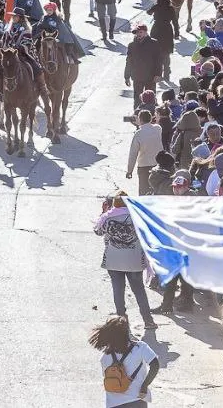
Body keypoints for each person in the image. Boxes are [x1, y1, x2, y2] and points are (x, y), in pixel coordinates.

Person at [94, 194, 156, 331]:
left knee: (118, 290)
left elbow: (97, 231)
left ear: (114, 204)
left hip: (113, 261)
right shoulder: (138, 217)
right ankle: (148, 321)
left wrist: (103, 213)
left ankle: (122, 321)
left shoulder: (107, 217)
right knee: (139, 291)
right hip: (134, 261)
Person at [90, 315, 159, 408]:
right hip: (137, 399)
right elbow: (155, 365)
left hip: (113, 403)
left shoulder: (105, 357)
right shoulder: (140, 348)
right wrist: (144, 386)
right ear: (127, 332)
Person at [124, 110, 163, 197]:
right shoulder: (158, 129)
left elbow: (133, 154)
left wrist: (130, 170)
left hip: (144, 166)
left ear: (140, 119)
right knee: (157, 190)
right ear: (150, 118)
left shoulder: (138, 134)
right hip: (158, 164)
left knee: (144, 191)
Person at [124, 25, 163, 108]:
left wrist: (158, 74)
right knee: (137, 98)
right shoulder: (132, 45)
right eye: (137, 33)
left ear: (146, 32)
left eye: (140, 32)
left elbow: (159, 60)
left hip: (151, 76)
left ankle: (151, 113)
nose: (138, 34)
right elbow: (129, 62)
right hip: (137, 77)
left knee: (150, 98)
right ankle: (137, 113)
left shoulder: (153, 43)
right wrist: (127, 76)